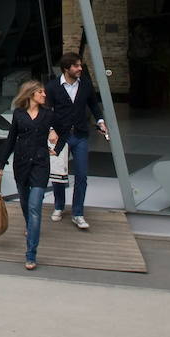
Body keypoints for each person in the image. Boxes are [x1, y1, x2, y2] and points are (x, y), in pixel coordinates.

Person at [0, 80, 62, 270]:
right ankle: (29, 226)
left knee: (34, 207)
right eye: (41, 92)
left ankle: (31, 254)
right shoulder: (19, 114)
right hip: (21, 164)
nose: (44, 95)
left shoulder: (48, 115)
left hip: (40, 165)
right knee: (25, 202)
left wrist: (56, 141)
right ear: (31, 94)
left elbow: (64, 129)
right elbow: (11, 139)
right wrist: (2, 162)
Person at [46, 52, 108, 230]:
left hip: (80, 135)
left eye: (80, 65)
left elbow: (94, 106)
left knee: (81, 175)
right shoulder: (52, 87)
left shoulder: (86, 85)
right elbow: (47, 111)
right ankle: (58, 206)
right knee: (58, 175)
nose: (80, 68)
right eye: (76, 66)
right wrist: (50, 130)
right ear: (67, 69)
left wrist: (101, 122)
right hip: (59, 136)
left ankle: (78, 213)